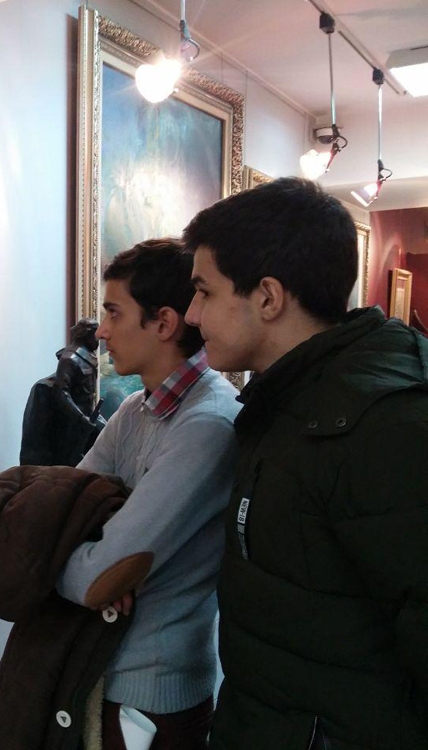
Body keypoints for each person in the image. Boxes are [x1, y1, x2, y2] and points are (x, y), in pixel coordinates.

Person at [182, 176, 428, 749]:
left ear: (268, 298)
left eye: (205, 293)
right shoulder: (288, 401)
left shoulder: (384, 424)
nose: (192, 314)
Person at [57, 238, 241, 750]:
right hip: (107, 672)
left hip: (155, 699)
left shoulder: (207, 425)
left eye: (113, 313)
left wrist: (69, 565)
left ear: (163, 323)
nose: (102, 331)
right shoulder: (136, 408)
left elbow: (93, 576)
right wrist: (90, 560)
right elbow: (62, 510)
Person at [20, 317, 105, 467]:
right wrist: (80, 418)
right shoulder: (70, 359)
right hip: (73, 422)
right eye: (96, 334)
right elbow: (62, 393)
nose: (98, 339)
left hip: (86, 417)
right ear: (87, 335)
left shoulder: (87, 356)